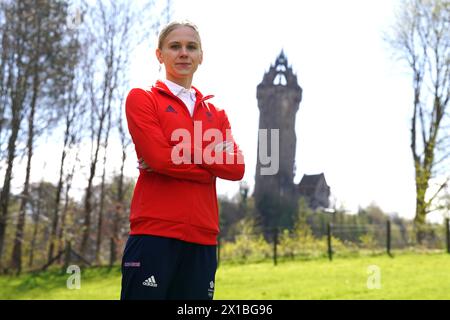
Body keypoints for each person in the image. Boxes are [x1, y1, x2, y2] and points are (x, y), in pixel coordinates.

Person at [121, 20, 245, 300]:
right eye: (174, 46)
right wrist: (211, 166)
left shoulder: (217, 113)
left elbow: (236, 168)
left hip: (203, 237)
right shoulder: (142, 99)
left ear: (201, 56)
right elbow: (159, 159)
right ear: (160, 54)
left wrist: (182, 148)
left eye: (191, 47)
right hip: (154, 234)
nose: (183, 53)